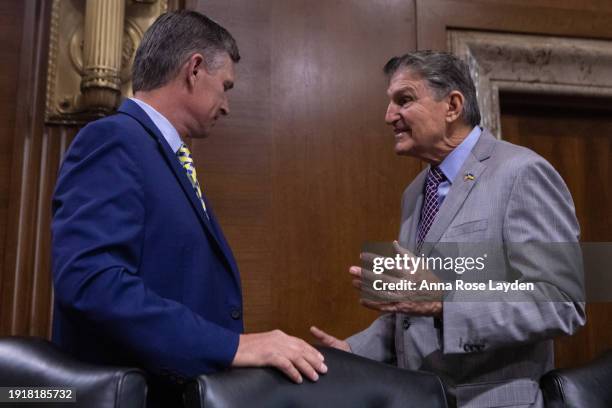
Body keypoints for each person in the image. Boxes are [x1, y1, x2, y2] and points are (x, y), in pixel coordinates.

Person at [51, 10, 326, 406]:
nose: (226, 105)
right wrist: (232, 347)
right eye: (225, 86)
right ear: (194, 69)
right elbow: (92, 282)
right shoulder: (113, 139)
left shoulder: (160, 152)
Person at [311, 51, 585, 408]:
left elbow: (563, 302)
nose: (389, 116)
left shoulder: (523, 172)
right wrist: (352, 351)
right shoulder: (415, 192)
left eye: (404, 100)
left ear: (453, 106)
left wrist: (444, 301)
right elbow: (411, 310)